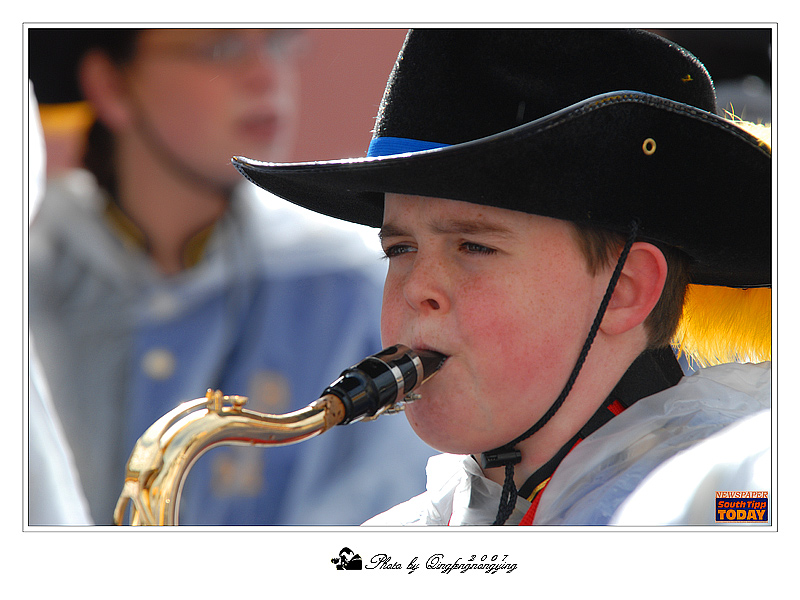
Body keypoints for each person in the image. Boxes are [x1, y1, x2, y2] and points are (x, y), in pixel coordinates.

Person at [232, 28, 772, 526]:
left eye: (473, 245)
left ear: (623, 290)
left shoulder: (737, 507)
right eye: (399, 247)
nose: (417, 287)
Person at [27, 27, 435, 526]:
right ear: (110, 84)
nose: (266, 75)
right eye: (220, 46)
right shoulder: (29, 274)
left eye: (278, 42)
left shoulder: (348, 284)